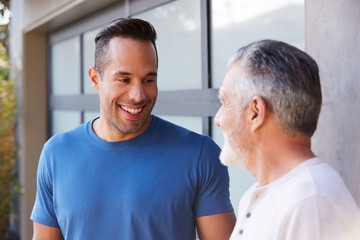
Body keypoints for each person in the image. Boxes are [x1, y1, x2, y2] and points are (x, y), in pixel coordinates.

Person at [31, 18, 236, 240]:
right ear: (95, 78)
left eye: (148, 80)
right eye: (124, 79)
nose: (138, 95)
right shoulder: (56, 154)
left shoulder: (199, 154)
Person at [214, 39, 360, 240]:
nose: (218, 119)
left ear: (255, 112)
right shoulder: (258, 194)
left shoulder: (311, 202)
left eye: (225, 102)